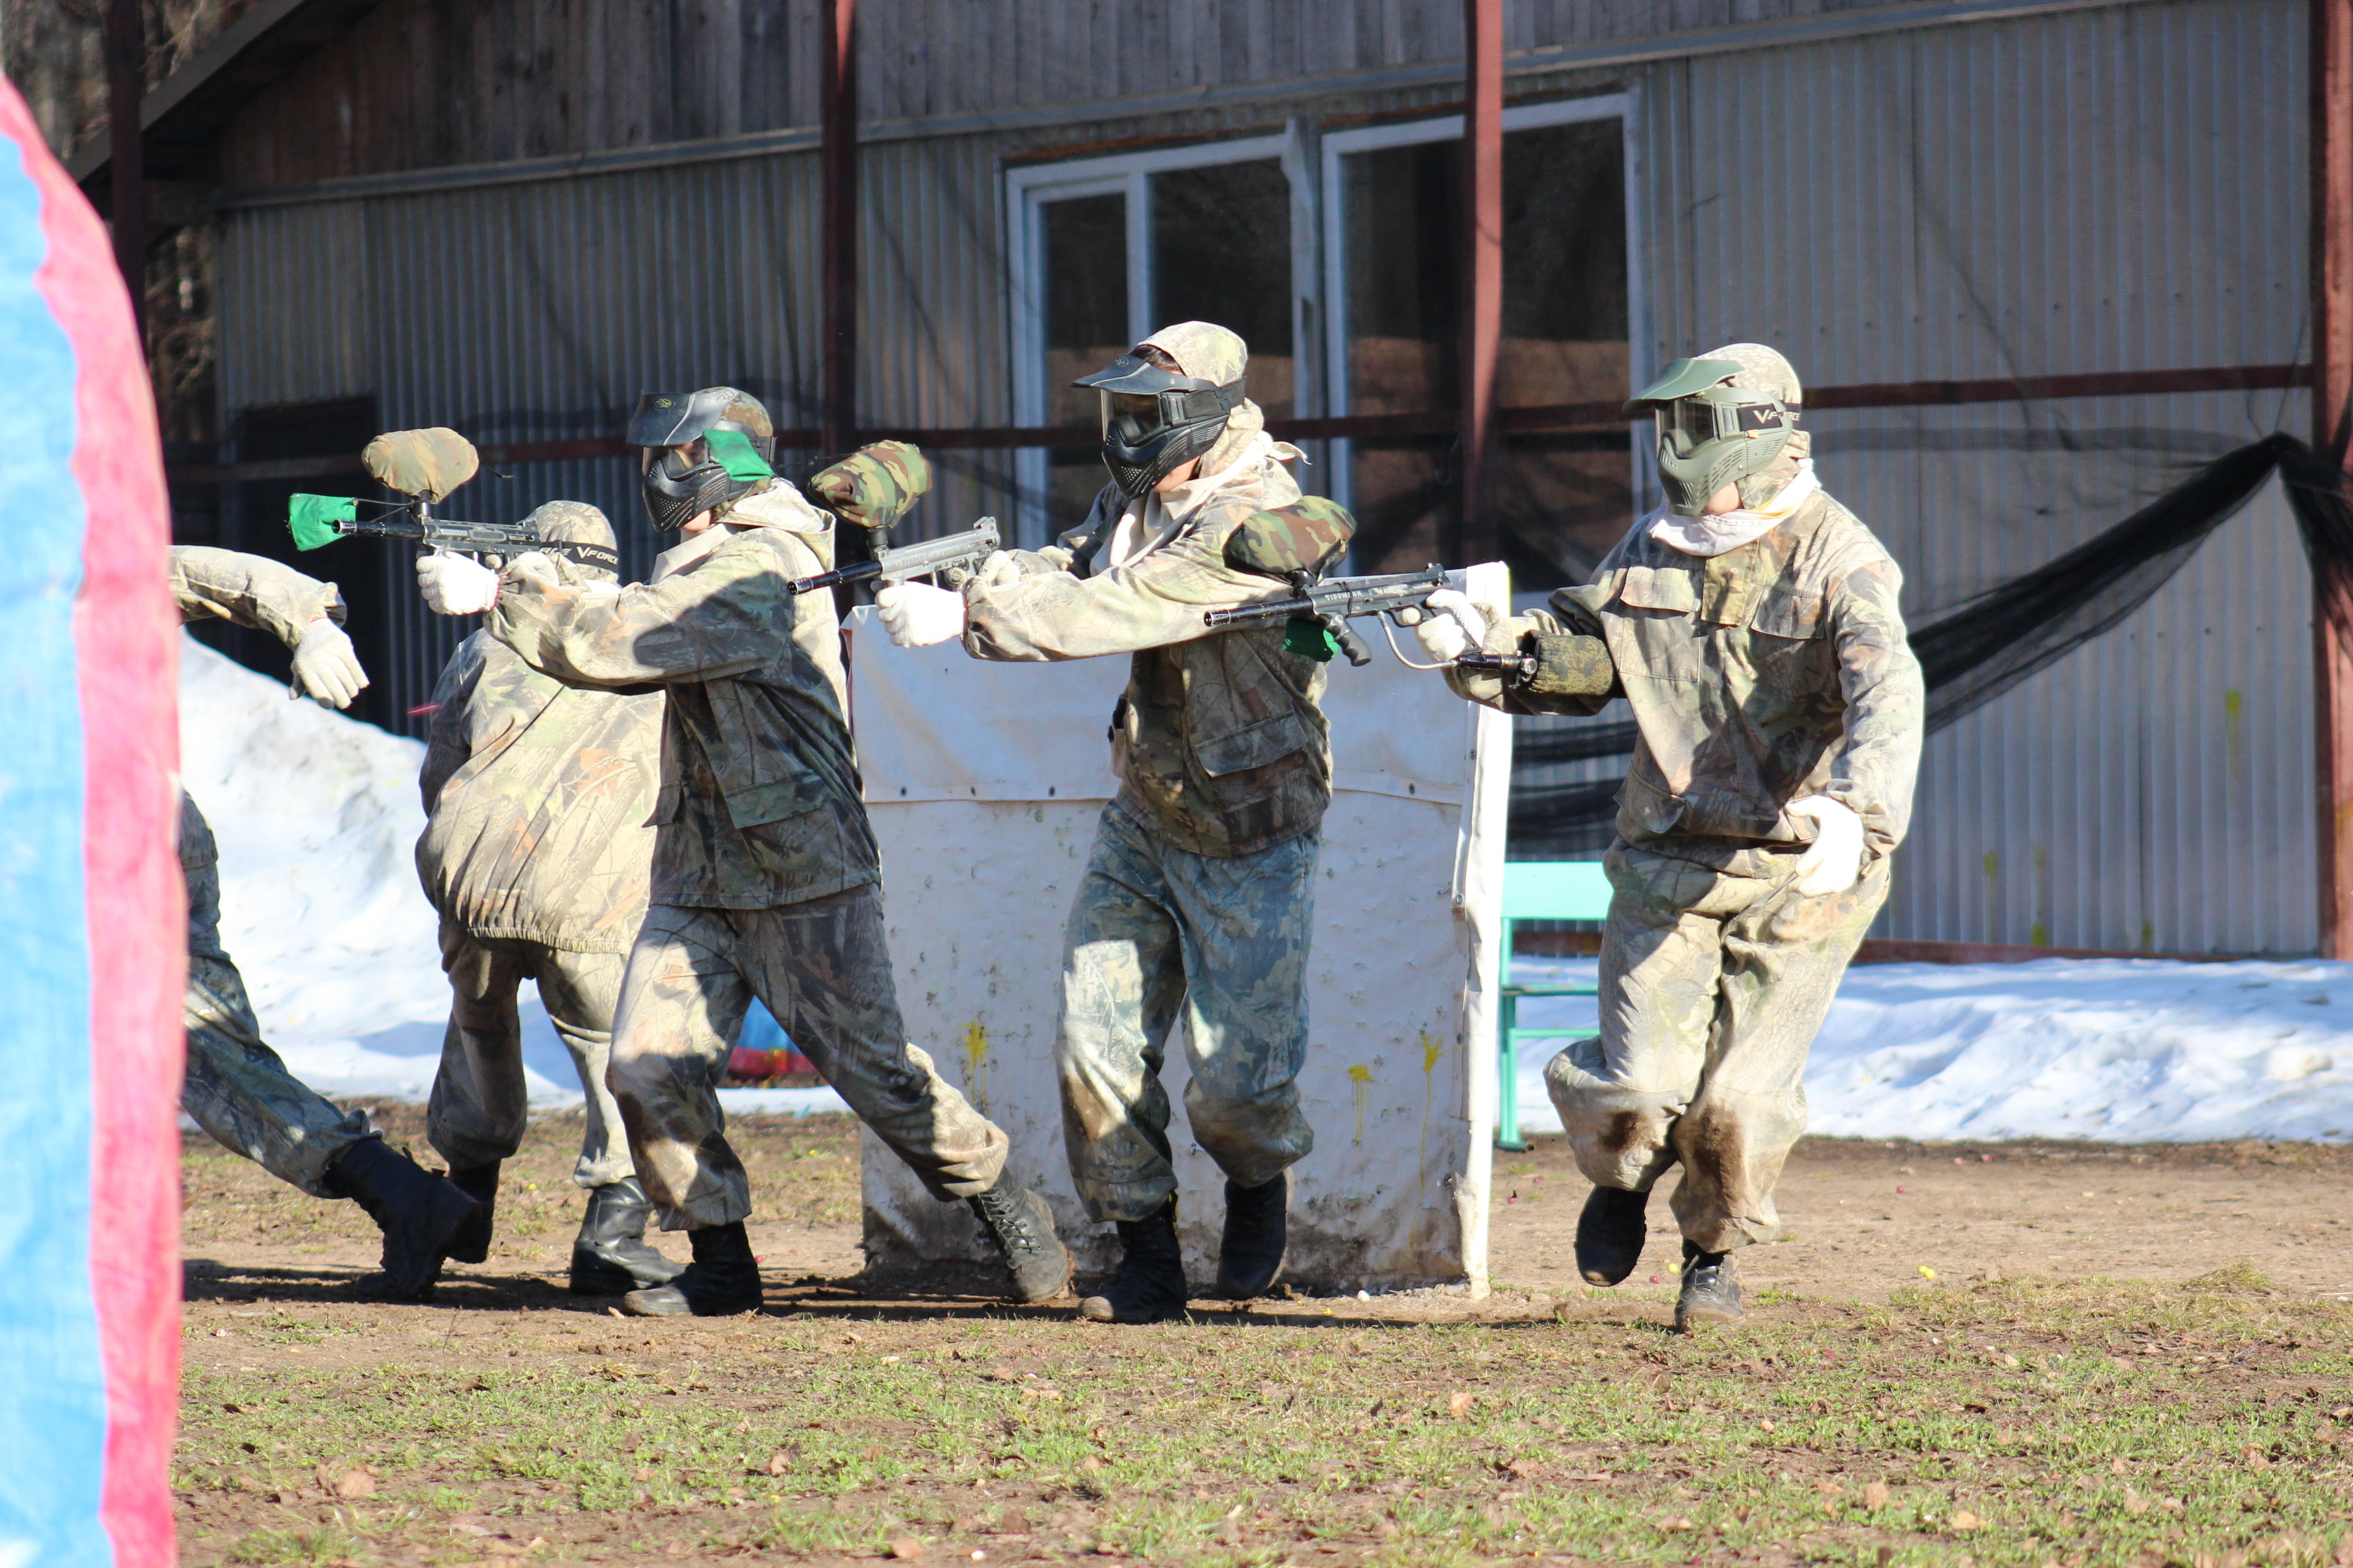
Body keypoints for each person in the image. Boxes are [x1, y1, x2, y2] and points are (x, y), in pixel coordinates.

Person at [409, 392, 1069, 1317]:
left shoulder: (764, 566)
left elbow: (627, 637)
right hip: (698, 867)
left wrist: (505, 593)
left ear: (716, 464)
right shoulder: (715, 561)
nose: (654, 478)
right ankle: (722, 1260)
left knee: (877, 1076)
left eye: (670, 459)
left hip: (804, 871)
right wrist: (528, 593)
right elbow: (632, 612)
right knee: (644, 1065)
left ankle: (1008, 1204)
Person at [1416, 342, 1924, 1331]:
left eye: (1693, 429)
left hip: (1803, 867)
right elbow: (1583, 650)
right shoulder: (1653, 546)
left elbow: (1888, 697)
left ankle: (1711, 1259)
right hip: (1669, 856)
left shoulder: (1840, 559)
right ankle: (1622, 1178)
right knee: (1638, 1088)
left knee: (1737, 1102)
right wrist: (1485, 651)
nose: (1674, 450)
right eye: (1670, 429)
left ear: (1758, 438)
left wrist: (1857, 819)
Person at [875, 322, 1354, 1324]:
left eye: (1149, 414)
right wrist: (989, 575)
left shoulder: (1255, 516)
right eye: (1121, 411)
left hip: (1252, 820)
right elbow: (1082, 564)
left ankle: (1258, 1180)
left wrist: (970, 620)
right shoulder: (1142, 496)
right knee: (1092, 1046)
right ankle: (1146, 1253)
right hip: (1148, 807)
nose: (1128, 431)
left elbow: (1125, 609)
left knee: (1237, 1087)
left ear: (1209, 415)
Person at [172, 545, 482, 1299]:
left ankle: (402, 1194)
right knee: (200, 1055)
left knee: (201, 1051)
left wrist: (310, 623)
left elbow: (226, 577)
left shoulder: (55, 560)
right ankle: (401, 1194)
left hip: (98, 840)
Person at [409, 498, 682, 1296]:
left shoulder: (480, 648)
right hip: (592, 897)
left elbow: (439, 772)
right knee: (611, 1051)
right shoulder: (644, 643)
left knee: (478, 1030)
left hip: (475, 884)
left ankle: (460, 1205)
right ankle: (612, 1228)